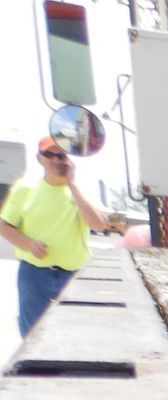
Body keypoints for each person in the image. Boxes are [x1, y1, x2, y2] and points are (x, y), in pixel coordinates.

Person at [1, 137, 125, 338]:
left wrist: (72, 185)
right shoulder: (24, 188)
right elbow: (4, 226)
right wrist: (29, 244)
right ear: (39, 159)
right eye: (49, 155)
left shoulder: (80, 191)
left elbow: (98, 225)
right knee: (31, 334)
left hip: (72, 274)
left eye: (61, 155)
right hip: (33, 273)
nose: (56, 160)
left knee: (77, 332)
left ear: (69, 159)